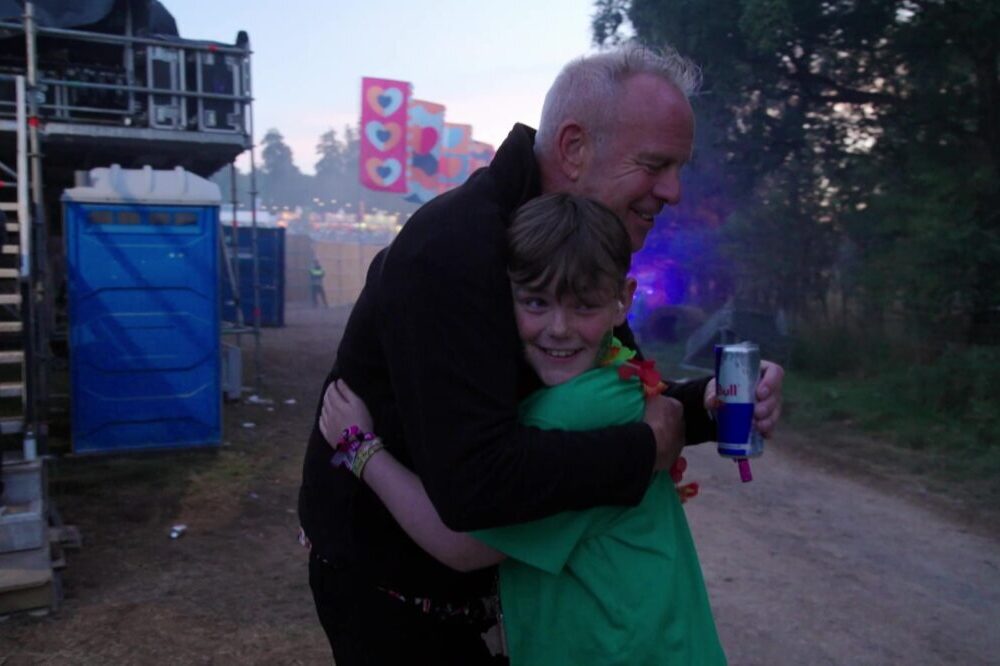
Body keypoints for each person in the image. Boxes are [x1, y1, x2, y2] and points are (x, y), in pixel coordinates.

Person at [299, 44, 785, 664]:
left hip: (486, 595)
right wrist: (644, 449)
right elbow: (476, 486)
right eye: (656, 164)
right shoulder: (455, 251)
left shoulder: (571, 249)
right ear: (575, 148)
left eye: (679, 168)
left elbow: (610, 383)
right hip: (395, 596)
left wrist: (708, 405)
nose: (674, 191)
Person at [322, 193, 726, 665]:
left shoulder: (571, 415)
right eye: (536, 301)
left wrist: (360, 449)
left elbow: (463, 546)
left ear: (623, 301)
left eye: (584, 306)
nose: (558, 328)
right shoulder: (620, 383)